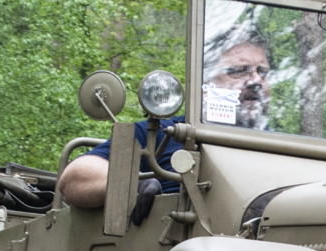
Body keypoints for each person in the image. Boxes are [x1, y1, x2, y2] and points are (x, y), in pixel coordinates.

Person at [60, 29, 271, 209]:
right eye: (239, 72)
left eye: (263, 73)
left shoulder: (282, 148)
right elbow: (75, 178)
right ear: (205, 83)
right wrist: (132, 186)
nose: (255, 81)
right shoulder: (163, 133)